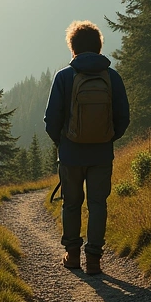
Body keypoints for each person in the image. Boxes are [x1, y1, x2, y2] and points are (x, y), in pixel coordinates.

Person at [43, 21, 130, 274]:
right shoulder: (112, 77)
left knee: (71, 203)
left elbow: (51, 119)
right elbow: (123, 117)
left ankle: (72, 256)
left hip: (71, 154)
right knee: (98, 204)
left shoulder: (64, 77)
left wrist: (62, 142)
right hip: (101, 153)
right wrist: (107, 138)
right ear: (99, 47)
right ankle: (94, 260)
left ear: (73, 47)